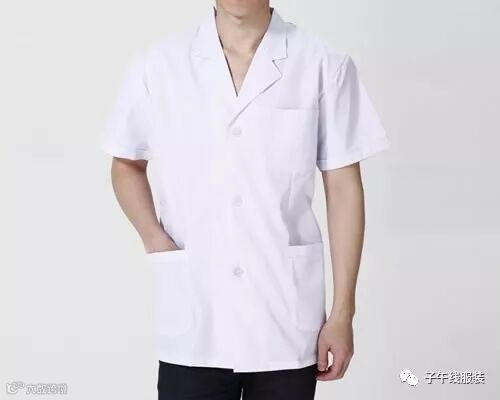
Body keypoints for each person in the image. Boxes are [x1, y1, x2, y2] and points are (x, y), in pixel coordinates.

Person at [100, 1, 391, 399]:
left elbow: (343, 189)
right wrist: (154, 239)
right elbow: (126, 163)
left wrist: (343, 314)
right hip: (194, 314)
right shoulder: (160, 65)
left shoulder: (323, 64)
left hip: (285, 321)